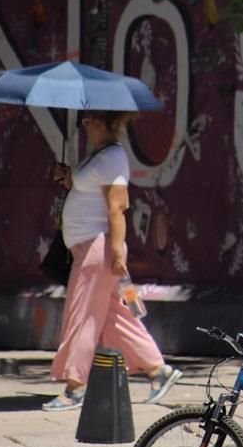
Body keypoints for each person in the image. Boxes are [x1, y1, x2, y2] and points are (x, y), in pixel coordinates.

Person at [42, 110, 181, 411]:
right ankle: (159, 370)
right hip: (90, 249)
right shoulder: (101, 156)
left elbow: (117, 209)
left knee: (83, 316)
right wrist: (71, 179)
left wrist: (117, 252)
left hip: (97, 250)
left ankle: (75, 386)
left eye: (88, 120)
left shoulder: (111, 158)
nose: (84, 125)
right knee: (112, 316)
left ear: (102, 123)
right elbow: (92, 194)